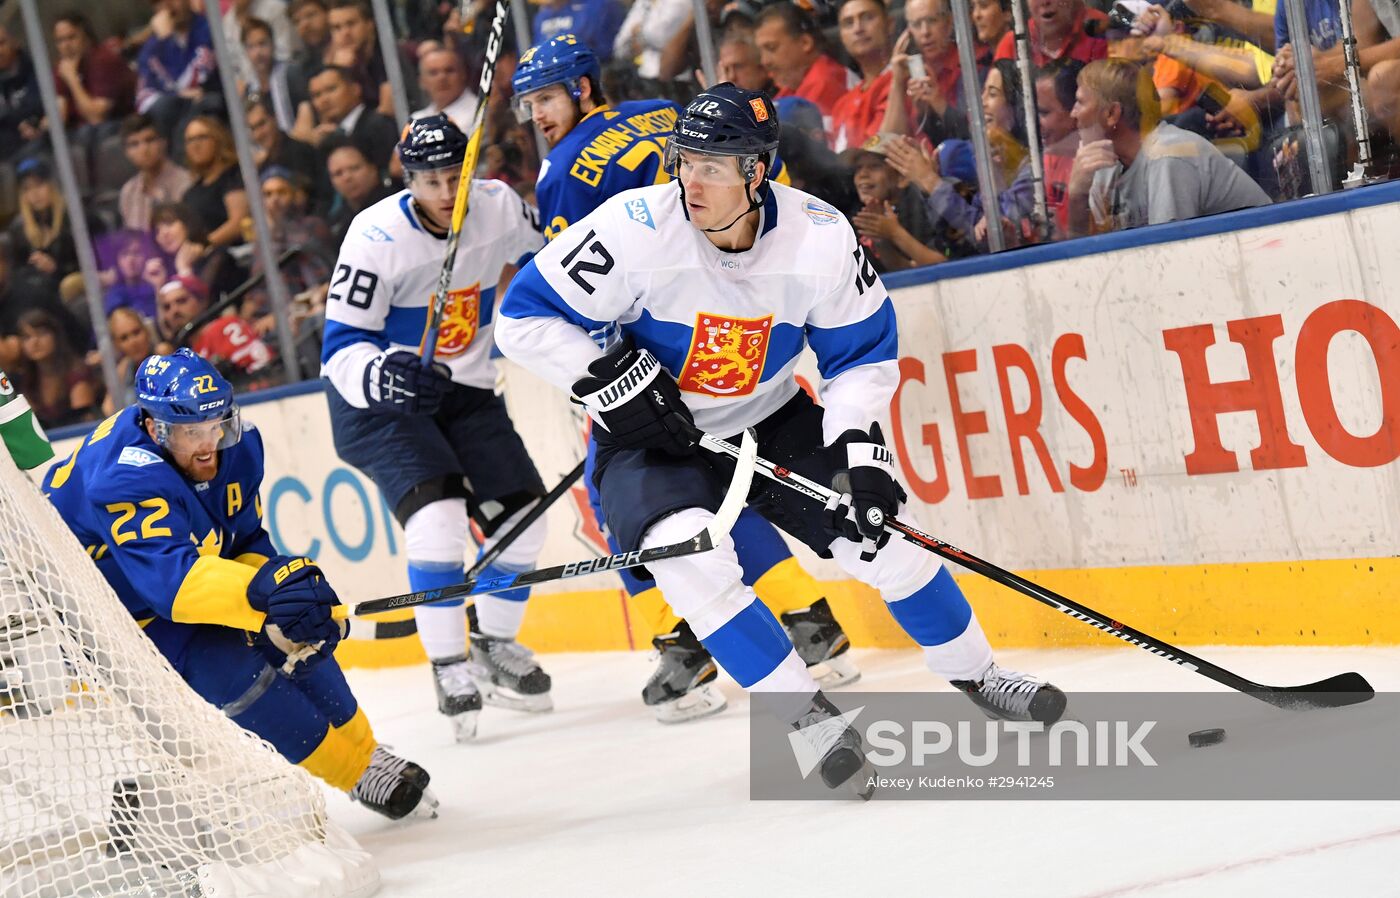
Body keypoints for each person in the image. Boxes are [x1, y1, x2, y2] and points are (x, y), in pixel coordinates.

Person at [497, 84, 1066, 793]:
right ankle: (808, 719)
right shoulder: (634, 227)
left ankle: (980, 675)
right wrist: (605, 379)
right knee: (691, 566)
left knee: (885, 535)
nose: (690, 180)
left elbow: (860, 355)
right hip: (651, 431)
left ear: (756, 173)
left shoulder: (819, 237)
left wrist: (860, 446)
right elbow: (521, 317)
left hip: (769, 414)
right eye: (686, 161)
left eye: (712, 166)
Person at [513, 37, 861, 721]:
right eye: (528, 104)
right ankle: (809, 619)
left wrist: (605, 379)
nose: (538, 117)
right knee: (726, 480)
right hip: (736, 309)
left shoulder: (562, 170)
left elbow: (584, 293)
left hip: (659, 339)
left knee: (633, 493)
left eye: (547, 98)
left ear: (583, 89)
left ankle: (684, 645)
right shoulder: (661, 111)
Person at [42, 350, 436, 820]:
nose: (210, 445)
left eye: (217, 425)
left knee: (299, 637)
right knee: (232, 672)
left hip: (177, 581)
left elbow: (242, 537)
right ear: (155, 429)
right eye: (192, 433)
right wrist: (264, 593)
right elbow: (175, 589)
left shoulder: (240, 444)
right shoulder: (124, 474)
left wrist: (280, 595)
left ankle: (368, 753)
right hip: (106, 610)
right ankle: (352, 771)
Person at [320, 115, 553, 742]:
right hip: (380, 402)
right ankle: (449, 667)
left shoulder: (500, 206)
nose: (448, 193)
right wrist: (385, 376)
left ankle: (492, 645)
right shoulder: (374, 237)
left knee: (525, 522)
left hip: (466, 389)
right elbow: (340, 348)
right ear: (408, 179)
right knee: (440, 521)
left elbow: (551, 262)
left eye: (457, 176)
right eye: (431, 181)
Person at [1067, 58, 1269, 235]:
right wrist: (1077, 197)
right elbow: (1093, 258)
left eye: (1079, 103)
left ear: (1112, 113)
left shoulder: (1169, 155)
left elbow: (1168, 254)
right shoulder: (1104, 166)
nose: (1073, 114)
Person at [156, 275, 277, 385]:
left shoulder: (224, 327)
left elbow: (260, 366)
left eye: (181, 301)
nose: (174, 311)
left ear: (202, 302)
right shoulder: (187, 353)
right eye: (167, 307)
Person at [754, 3, 854, 133]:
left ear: (805, 43)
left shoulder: (825, 82)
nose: (765, 61)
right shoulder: (792, 87)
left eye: (772, 48)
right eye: (761, 52)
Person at [135, 0, 218, 142]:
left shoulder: (207, 29)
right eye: (158, 2)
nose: (167, 5)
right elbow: (143, 99)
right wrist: (176, 94)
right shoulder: (152, 46)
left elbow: (186, 82)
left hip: (207, 104)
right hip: (171, 113)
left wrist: (167, 41)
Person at [299, 64, 399, 172]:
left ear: (355, 89)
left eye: (331, 89)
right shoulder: (326, 141)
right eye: (317, 95)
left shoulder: (379, 125)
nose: (324, 100)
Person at [13, 307, 99, 429]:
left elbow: (84, 424)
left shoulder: (77, 375)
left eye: (41, 333)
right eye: (27, 337)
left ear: (55, 336)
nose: (34, 342)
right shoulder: (29, 381)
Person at [829, 0, 897, 152]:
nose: (858, 29)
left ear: (890, 24)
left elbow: (879, 151)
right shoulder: (841, 106)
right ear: (841, 36)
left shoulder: (903, 80)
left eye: (867, 18)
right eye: (848, 23)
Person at [180, 115, 250, 249]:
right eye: (189, 140)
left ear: (218, 139)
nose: (195, 145)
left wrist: (203, 247)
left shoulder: (234, 175)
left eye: (202, 137)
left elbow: (239, 222)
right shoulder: (190, 193)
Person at [119, 113, 195, 232]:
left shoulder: (186, 182)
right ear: (127, 152)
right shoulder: (128, 191)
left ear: (163, 142)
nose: (144, 149)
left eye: (149, 140)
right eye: (134, 144)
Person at [325, 139, 394, 245]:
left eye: (354, 168)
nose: (347, 177)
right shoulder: (336, 222)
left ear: (373, 169)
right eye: (338, 173)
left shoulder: (394, 204)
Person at [97, 306, 157, 415]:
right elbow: (108, 411)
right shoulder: (123, 370)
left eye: (136, 332)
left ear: (146, 331)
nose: (133, 342)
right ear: (117, 345)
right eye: (124, 338)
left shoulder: (165, 356)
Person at [412, 47, 479, 128]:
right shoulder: (416, 119)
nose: (442, 78)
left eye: (449, 70)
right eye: (433, 73)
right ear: (421, 81)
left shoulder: (480, 114)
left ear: (463, 74)